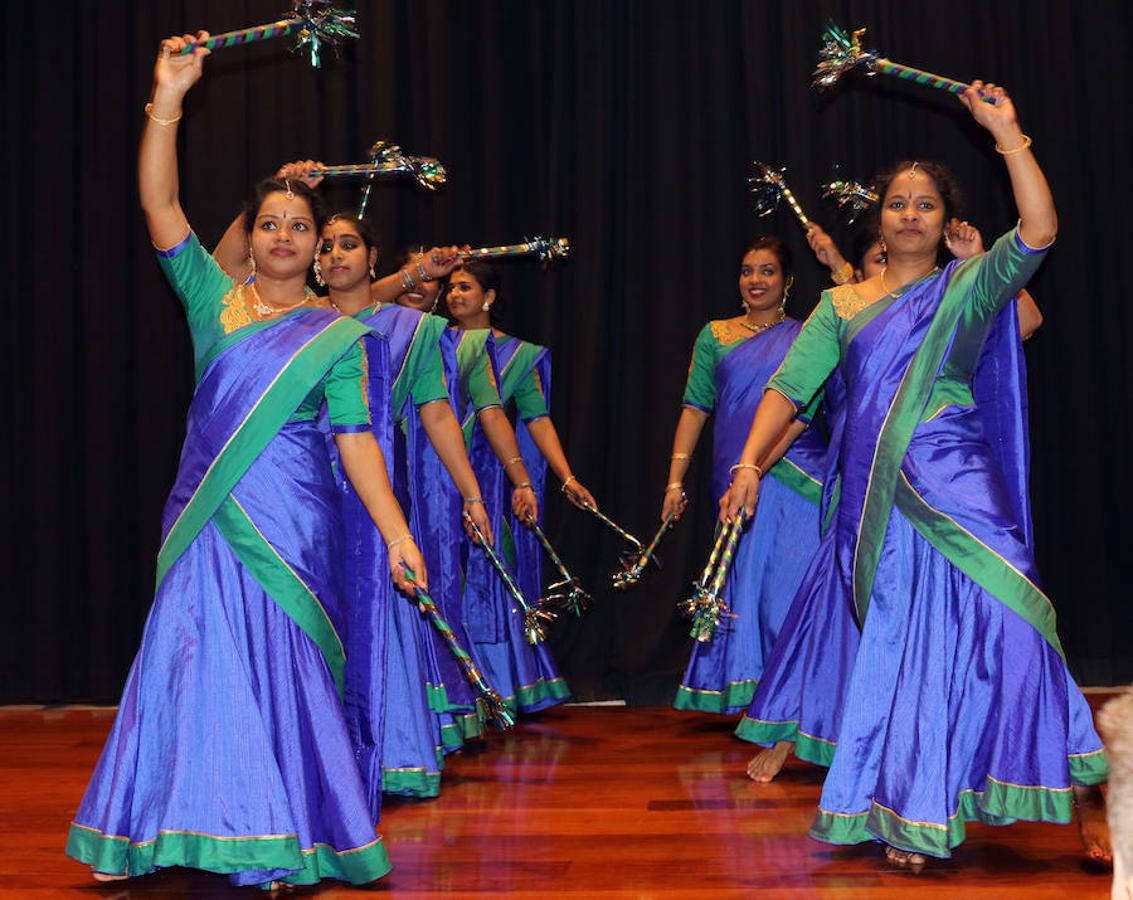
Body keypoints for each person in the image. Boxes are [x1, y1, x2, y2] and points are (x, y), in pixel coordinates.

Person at [65, 32, 431, 888]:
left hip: (294, 527)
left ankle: (276, 836)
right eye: (268, 223)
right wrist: (169, 98)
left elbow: (357, 439)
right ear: (252, 235)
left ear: (320, 248)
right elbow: (160, 203)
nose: (282, 236)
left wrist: (397, 532)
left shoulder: (342, 335)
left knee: (277, 667)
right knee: (187, 658)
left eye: (299, 227)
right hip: (205, 515)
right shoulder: (209, 301)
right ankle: (151, 827)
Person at [723, 81, 1108, 865]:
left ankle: (1073, 790)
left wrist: (1006, 131)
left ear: (944, 218)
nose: (908, 213)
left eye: (924, 203)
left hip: (960, 481)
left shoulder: (965, 288)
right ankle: (911, 809)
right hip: (875, 500)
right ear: (878, 218)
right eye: (896, 202)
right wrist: (745, 461)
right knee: (904, 649)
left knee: (1016, 626)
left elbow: (1038, 230)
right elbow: (788, 390)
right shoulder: (840, 307)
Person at [663, 237, 826, 715]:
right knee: (745, 588)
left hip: (794, 475)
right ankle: (755, 698)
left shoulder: (807, 336)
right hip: (734, 481)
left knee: (784, 589)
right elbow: (694, 410)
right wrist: (675, 481)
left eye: (767, 271)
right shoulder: (715, 336)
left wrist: (757, 466)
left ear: (788, 281)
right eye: (747, 271)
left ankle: (794, 700)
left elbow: (804, 412)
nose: (755, 280)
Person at [445, 263, 590, 714]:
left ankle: (499, 684)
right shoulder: (429, 341)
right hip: (431, 474)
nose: (453, 293)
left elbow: (535, 417)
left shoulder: (517, 355)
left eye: (465, 286)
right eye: (449, 286)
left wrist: (564, 476)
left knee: (487, 575)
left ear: (489, 297)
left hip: (487, 478)